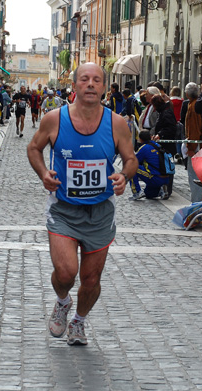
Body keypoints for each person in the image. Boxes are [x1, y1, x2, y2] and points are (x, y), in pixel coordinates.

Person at [27, 62, 138, 346]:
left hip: (100, 212)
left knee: (90, 279)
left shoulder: (116, 123)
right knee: (66, 273)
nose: (90, 84)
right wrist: (43, 173)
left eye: (97, 80)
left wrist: (124, 177)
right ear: (74, 85)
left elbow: (131, 158)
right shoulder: (54, 119)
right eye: (85, 79)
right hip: (64, 209)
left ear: (103, 87)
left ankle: (79, 321)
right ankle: (63, 301)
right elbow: (34, 148)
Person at [128, 130, 170, 200]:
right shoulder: (157, 145)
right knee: (148, 194)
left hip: (155, 177)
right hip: (166, 177)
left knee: (131, 168)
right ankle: (160, 191)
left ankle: (137, 192)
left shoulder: (144, 148)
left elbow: (134, 162)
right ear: (150, 137)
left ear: (140, 139)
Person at [184, 82, 202, 203]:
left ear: (187, 94)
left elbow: (193, 128)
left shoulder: (193, 106)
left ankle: (197, 204)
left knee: (194, 177)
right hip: (200, 144)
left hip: (197, 146)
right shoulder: (198, 104)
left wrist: (191, 147)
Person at [151, 94, 177, 199]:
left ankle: (167, 190)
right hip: (163, 144)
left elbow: (171, 128)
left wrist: (160, 134)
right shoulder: (164, 111)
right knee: (163, 167)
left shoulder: (166, 112)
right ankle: (163, 189)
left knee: (167, 168)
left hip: (167, 146)